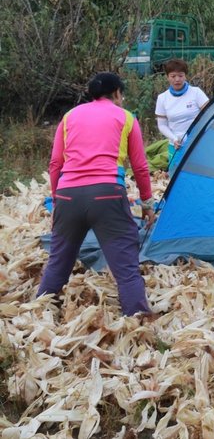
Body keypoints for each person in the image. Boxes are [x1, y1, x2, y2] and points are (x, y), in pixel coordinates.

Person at [37, 72, 157, 317]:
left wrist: (57, 201)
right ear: (117, 93)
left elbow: (55, 164)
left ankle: (39, 314)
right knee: (126, 268)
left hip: (68, 195)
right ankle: (137, 321)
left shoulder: (69, 117)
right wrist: (147, 203)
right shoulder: (126, 118)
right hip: (107, 196)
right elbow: (140, 167)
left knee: (58, 262)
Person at [155, 59, 209, 160]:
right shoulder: (162, 98)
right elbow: (162, 125)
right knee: (176, 169)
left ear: (185, 76)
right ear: (167, 77)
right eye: (173, 76)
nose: (177, 79)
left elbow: (210, 114)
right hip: (176, 145)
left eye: (180, 76)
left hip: (197, 143)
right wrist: (174, 139)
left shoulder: (196, 92)